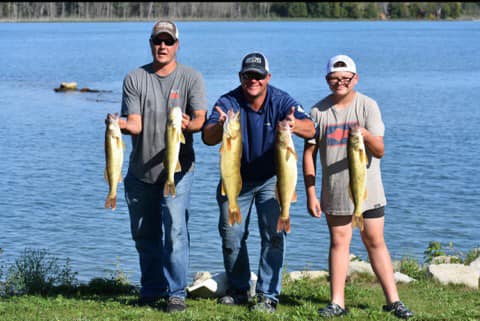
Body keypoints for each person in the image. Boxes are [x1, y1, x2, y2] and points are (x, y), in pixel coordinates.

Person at [202, 52, 315, 313]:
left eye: (258, 75)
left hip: (273, 180)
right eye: (247, 75)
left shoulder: (281, 100)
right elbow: (208, 138)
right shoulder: (228, 102)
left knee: (274, 236)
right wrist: (219, 126)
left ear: (268, 77)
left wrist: (293, 125)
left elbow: (312, 128)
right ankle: (239, 288)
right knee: (231, 236)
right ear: (240, 77)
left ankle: (268, 295)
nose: (253, 80)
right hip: (235, 180)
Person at [303, 54, 414, 319]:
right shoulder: (317, 112)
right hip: (335, 190)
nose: (339, 83)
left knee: (375, 241)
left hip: (369, 190)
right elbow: (309, 154)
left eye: (345, 78)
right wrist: (310, 192)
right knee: (339, 242)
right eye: (333, 78)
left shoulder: (368, 106)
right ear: (327, 79)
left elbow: (380, 150)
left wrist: (364, 134)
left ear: (355, 79)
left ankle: (394, 300)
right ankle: (337, 302)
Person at [115, 20, 207, 313]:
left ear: (178, 45)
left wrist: (188, 124)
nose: (163, 46)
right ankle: (152, 288)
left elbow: (201, 120)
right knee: (145, 233)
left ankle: (176, 292)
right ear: (151, 43)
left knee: (176, 232)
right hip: (140, 172)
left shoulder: (192, 77)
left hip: (178, 172)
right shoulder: (134, 78)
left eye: (168, 41)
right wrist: (118, 126)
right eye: (158, 41)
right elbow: (136, 124)